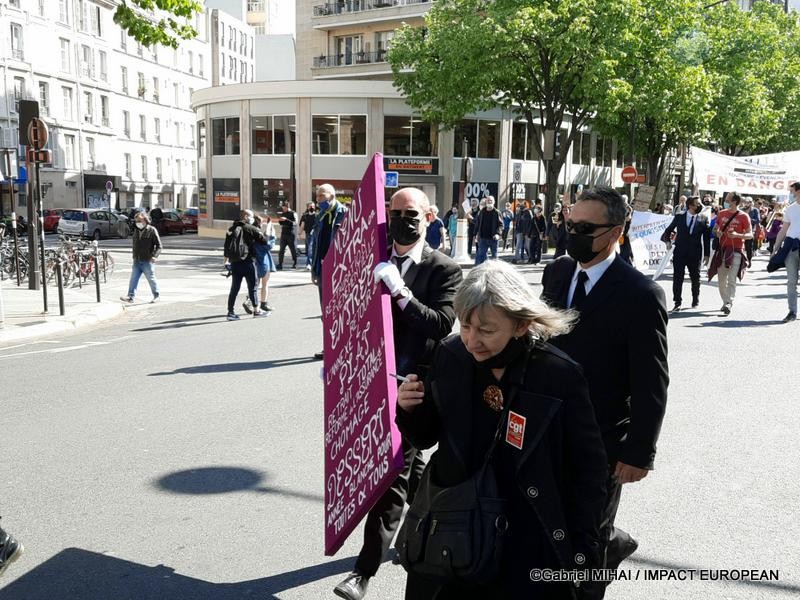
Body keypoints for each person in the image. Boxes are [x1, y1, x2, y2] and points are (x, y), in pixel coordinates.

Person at [395, 260, 607, 600]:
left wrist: (585, 550)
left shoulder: (557, 373)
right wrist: (409, 410)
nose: (472, 340)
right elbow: (426, 437)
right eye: (465, 326)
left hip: (527, 538)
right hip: (455, 531)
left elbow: (589, 472)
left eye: (486, 330)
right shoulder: (450, 354)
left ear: (521, 325)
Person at [334, 187, 463, 600]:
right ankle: (444, 508)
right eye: (395, 212)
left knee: (391, 474)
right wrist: (339, 362)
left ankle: (362, 571)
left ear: (428, 216)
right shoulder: (374, 260)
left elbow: (442, 324)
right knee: (413, 471)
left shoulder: (444, 269)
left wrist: (400, 293)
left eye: (411, 213)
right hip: (373, 382)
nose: (403, 219)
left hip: (413, 389)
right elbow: (351, 316)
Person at [541, 187, 669, 598]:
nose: (572, 233)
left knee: (586, 539)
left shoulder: (640, 295)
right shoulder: (557, 273)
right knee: (545, 525)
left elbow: (652, 381)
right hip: (545, 430)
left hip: (601, 440)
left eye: (584, 228)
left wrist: (638, 453)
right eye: (569, 224)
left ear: (616, 232)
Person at [309, 184, 348, 360]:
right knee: (326, 311)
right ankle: (329, 346)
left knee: (342, 310)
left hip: (341, 270)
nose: (318, 199)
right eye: (317, 196)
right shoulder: (320, 216)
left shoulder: (345, 213)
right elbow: (316, 244)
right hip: (323, 270)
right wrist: (314, 270)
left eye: (321, 196)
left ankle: (346, 346)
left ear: (332, 196)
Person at [661, 195, 711, 312]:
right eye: (697, 204)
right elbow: (668, 231)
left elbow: (707, 239)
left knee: (695, 278)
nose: (700, 206)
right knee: (678, 278)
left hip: (695, 253)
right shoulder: (679, 217)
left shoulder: (703, 219)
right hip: (680, 252)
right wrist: (667, 241)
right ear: (690, 206)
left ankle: (695, 299)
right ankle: (677, 302)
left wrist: (707, 255)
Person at [710, 192, 752, 316]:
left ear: (734, 201)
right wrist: (717, 231)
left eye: (728, 198)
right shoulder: (722, 213)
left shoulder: (744, 216)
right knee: (721, 280)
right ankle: (725, 301)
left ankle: (728, 303)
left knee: (732, 279)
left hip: (736, 251)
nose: (726, 199)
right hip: (722, 250)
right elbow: (715, 228)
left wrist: (737, 235)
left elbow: (750, 235)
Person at [225, 209, 269, 321]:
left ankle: (230, 312)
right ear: (245, 217)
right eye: (251, 216)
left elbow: (226, 248)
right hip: (248, 262)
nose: (252, 218)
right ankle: (256, 310)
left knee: (234, 288)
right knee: (252, 287)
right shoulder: (251, 228)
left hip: (235, 262)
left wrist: (226, 262)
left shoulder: (231, 229)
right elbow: (264, 241)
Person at [770, 181, 800, 322]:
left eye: (792, 191)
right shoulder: (790, 209)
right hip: (790, 247)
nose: (791, 194)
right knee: (791, 281)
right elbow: (783, 230)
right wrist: (775, 248)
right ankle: (792, 312)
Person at [120, 212, 161, 304]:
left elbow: (159, 246)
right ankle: (130, 297)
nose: (138, 222)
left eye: (139, 220)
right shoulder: (136, 231)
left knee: (151, 279)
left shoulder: (151, 230)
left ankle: (156, 295)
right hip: (137, 260)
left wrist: (154, 256)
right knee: (133, 279)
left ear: (145, 220)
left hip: (147, 260)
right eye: (136, 221)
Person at [243, 214, 276, 314]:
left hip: (253, 261)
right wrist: (271, 228)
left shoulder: (249, 235)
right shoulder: (259, 236)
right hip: (263, 261)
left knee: (254, 284)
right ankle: (263, 303)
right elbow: (269, 244)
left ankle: (251, 300)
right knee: (264, 284)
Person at [474, 196, 503, 265]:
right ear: (486, 202)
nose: (489, 202)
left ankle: (495, 272)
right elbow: (478, 223)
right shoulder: (482, 211)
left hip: (493, 238)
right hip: (483, 238)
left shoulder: (496, 212)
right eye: (488, 200)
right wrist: (475, 234)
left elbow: (501, 225)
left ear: (494, 202)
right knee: (481, 256)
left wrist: (498, 234)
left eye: (491, 201)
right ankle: (481, 271)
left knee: (494, 257)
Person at [276, 201, 297, 270]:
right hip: (284, 233)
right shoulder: (283, 213)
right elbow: (281, 223)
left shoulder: (293, 213)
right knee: (281, 250)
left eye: (284, 208)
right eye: (283, 208)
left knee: (292, 249)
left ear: (288, 207)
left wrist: (286, 219)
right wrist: (280, 220)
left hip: (290, 233)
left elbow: (295, 223)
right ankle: (280, 264)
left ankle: (295, 263)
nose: (283, 209)